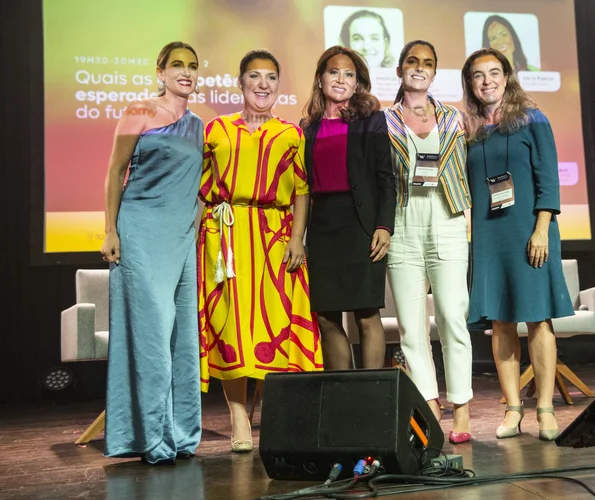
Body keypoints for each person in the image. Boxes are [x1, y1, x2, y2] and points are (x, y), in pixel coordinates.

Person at [198, 49, 323, 453]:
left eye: (271, 77)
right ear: (241, 83)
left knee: (276, 324)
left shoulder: (291, 133)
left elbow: (302, 190)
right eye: (255, 76)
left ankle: (269, 415)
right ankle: (237, 416)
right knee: (231, 326)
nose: (263, 84)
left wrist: (298, 238)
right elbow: (198, 189)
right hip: (227, 238)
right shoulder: (215, 130)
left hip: (275, 236)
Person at [461, 48, 574, 441]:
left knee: (538, 319)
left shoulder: (533, 119)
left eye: (495, 72)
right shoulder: (470, 130)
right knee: (501, 322)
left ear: (507, 77)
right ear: (471, 84)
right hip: (490, 236)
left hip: (530, 230)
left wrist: (542, 228)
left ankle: (545, 409)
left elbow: (549, 179)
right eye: (479, 75)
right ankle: (513, 409)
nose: (487, 80)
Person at [101, 41, 203, 464]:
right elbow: (114, 171)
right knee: (151, 335)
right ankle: (150, 436)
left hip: (182, 238)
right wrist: (110, 229)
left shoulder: (200, 124)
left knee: (181, 339)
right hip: (140, 231)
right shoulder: (139, 111)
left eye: (192, 66)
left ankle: (180, 434)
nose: (186, 72)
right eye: (177, 65)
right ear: (160, 71)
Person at [383, 40, 473, 444]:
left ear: (435, 73)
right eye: (412, 62)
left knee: (453, 317)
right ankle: (430, 406)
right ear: (401, 69)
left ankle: (462, 408)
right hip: (403, 222)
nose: (419, 68)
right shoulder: (383, 120)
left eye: (427, 64)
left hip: (449, 218)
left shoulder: (455, 118)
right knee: (411, 327)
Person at [300, 46, 395, 371]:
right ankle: (345, 397)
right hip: (323, 228)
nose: (340, 79)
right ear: (321, 78)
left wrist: (384, 225)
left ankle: (371, 399)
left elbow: (386, 178)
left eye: (349, 74)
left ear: (358, 83)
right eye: (334, 72)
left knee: (367, 315)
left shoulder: (372, 121)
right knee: (327, 317)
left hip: (362, 225)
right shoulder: (307, 128)